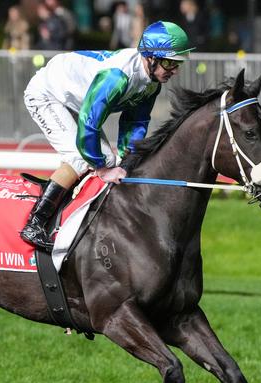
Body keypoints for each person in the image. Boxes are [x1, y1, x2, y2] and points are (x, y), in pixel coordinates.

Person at [21, 21, 194, 250]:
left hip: (75, 100)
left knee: (112, 162)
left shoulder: (152, 84)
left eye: (178, 63)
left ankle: (74, 215)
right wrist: (101, 169)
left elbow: (135, 123)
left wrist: (128, 162)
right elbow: (89, 121)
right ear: (151, 58)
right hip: (47, 93)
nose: (174, 70)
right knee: (82, 158)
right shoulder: (117, 77)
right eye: (170, 63)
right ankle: (35, 223)